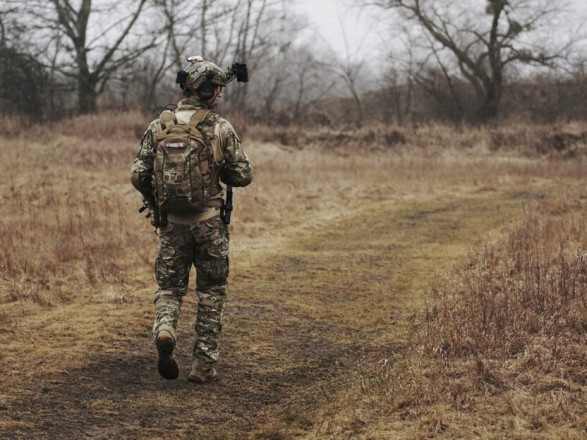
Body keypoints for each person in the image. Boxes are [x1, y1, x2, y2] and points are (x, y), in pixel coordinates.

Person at [130, 56, 253, 382]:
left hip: (171, 224)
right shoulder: (219, 127)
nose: (221, 96)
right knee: (211, 293)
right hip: (210, 223)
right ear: (210, 91)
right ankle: (203, 366)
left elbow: (138, 173)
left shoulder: (160, 125)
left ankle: (166, 328)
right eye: (219, 91)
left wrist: (156, 202)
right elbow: (243, 175)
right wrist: (218, 168)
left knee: (169, 288)